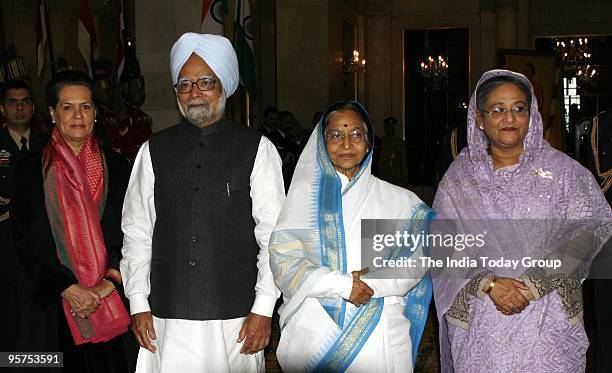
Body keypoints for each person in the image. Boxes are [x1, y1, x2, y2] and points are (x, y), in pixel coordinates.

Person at [120, 33, 285, 373]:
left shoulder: (257, 148)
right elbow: (136, 232)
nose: (194, 92)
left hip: (237, 317)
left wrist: (264, 308)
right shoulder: (153, 150)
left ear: (223, 85)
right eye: (185, 84)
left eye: (205, 82)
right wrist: (137, 302)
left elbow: (276, 237)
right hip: (165, 315)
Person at [432, 69, 612, 372]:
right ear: (479, 118)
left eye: (519, 109)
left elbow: (590, 228)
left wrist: (534, 284)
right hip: (483, 317)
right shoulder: (459, 179)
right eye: (498, 110)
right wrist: (489, 284)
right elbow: (442, 240)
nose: (509, 118)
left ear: (532, 115)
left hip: (548, 314)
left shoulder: (564, 172)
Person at [269, 101, 433, 372]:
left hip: (380, 329)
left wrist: (368, 283)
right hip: (313, 330)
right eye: (335, 135)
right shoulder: (302, 202)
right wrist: (342, 285)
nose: (346, 143)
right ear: (322, 144)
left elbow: (415, 261)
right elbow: (284, 263)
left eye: (356, 134)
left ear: (368, 143)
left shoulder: (399, 201)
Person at [11, 71, 134, 372]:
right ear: (52, 113)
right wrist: (69, 287)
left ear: (96, 113)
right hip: (53, 304)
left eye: (86, 106)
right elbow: (27, 238)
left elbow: (133, 231)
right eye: (67, 107)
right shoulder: (31, 168)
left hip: (110, 299)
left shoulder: (118, 167)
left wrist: (107, 284)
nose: (78, 115)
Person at [0, 80, 48, 352]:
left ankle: (39, 362)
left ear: (34, 106)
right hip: (5, 247)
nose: (20, 108)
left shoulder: (47, 145)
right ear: (2, 108)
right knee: (9, 317)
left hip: (38, 247)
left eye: (25, 101)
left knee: (37, 319)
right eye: (12, 102)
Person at [378, 116, 408, 187]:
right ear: (385, 128)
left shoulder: (399, 143)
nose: (390, 129)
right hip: (383, 179)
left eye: (392, 127)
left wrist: (405, 180)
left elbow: (403, 162)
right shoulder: (380, 142)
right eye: (388, 127)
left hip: (396, 180)